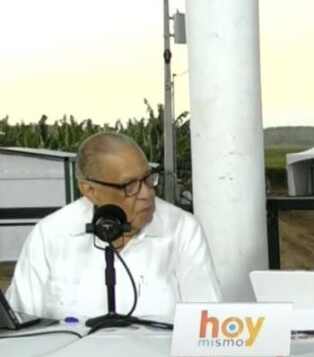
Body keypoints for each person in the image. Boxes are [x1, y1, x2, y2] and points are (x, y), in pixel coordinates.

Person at [6, 132, 221, 319]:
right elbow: (21, 325)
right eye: (129, 185)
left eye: (149, 179)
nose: (147, 193)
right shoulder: (50, 234)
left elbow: (207, 324)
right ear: (89, 190)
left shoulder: (183, 229)